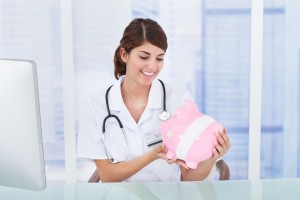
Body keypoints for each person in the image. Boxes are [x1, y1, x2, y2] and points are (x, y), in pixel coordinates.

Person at [77, 18, 231, 182]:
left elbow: (189, 179)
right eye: (144, 57)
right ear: (124, 54)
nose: (152, 66)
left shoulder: (178, 99)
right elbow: (108, 175)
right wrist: (152, 156)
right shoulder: (96, 105)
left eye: (159, 58)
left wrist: (210, 157)